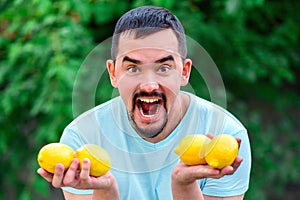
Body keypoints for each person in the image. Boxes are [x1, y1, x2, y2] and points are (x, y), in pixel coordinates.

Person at [37, 6, 251, 200]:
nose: (149, 85)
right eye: (133, 69)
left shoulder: (227, 135)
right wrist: (106, 189)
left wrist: (183, 185)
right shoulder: (81, 138)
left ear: (184, 72)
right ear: (113, 74)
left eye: (164, 68)